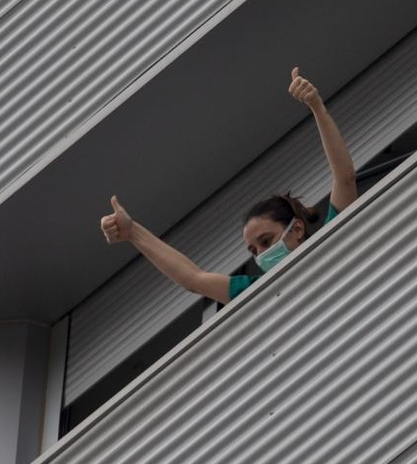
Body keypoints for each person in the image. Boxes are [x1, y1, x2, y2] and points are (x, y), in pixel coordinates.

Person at [100, 67, 357, 304]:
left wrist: (317, 108)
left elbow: (344, 178)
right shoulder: (260, 291)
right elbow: (193, 279)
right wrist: (132, 233)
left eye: (266, 241)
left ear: (297, 228)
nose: (262, 255)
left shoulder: (332, 239)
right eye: (254, 250)